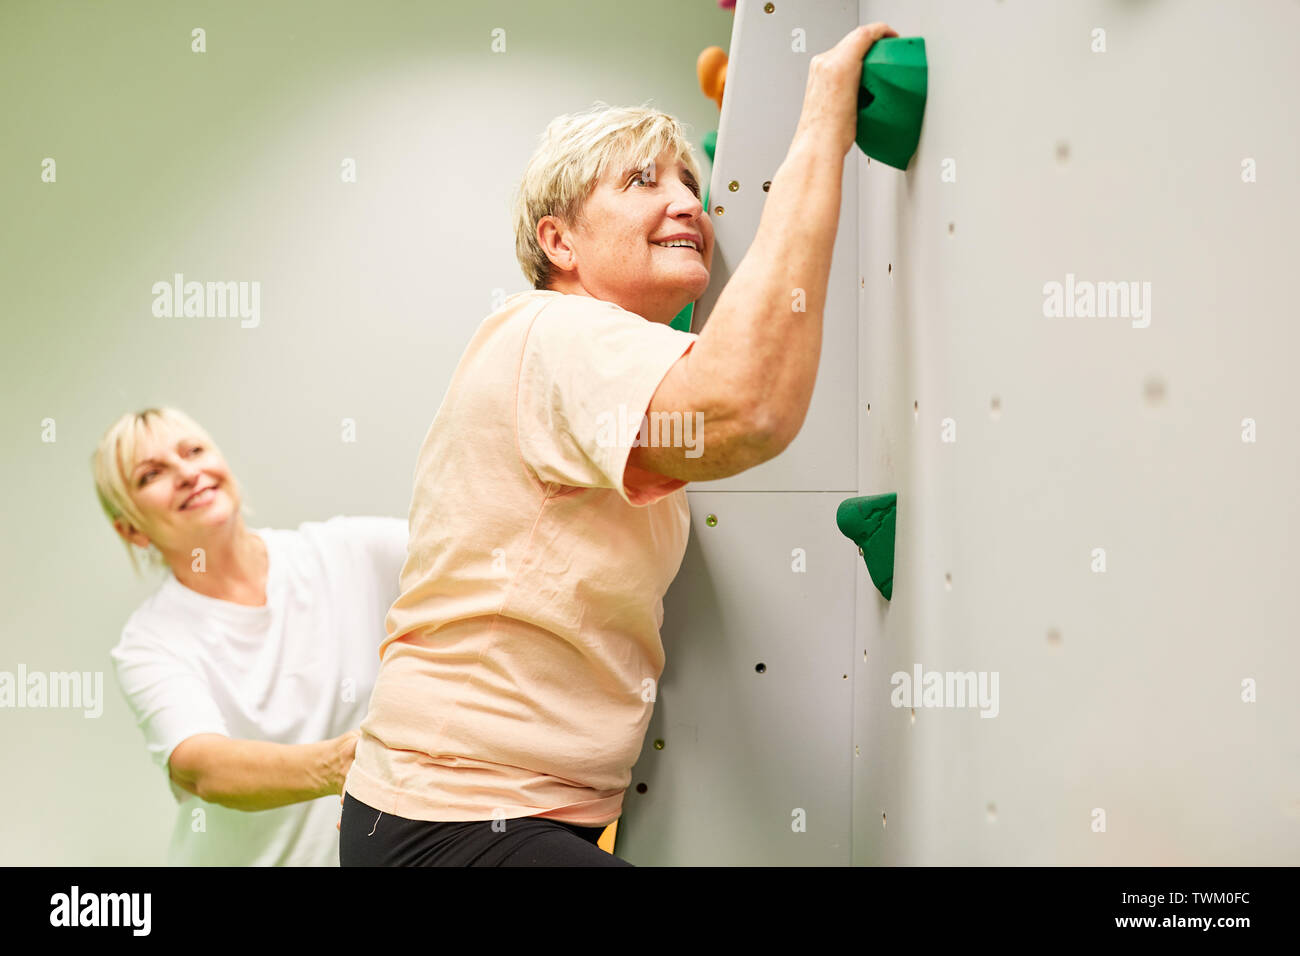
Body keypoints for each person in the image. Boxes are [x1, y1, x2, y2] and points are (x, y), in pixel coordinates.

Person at [339, 22, 898, 866]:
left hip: (499, 819)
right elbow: (746, 409)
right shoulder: (555, 332)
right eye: (641, 181)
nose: (685, 201)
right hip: (450, 822)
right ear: (559, 242)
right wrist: (824, 120)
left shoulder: (603, 365)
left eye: (688, 181)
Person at [95, 406, 407, 865]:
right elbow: (203, 767)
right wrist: (341, 762)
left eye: (194, 451)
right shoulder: (149, 642)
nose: (187, 472)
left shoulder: (348, 552)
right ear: (131, 530)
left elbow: (467, 557)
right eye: (151, 474)